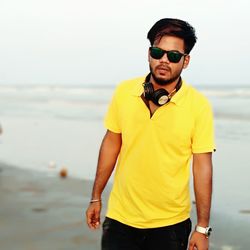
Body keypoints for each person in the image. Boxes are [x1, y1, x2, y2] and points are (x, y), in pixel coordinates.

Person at [86, 18, 215, 250]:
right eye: (158, 52)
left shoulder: (199, 106)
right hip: (120, 219)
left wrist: (202, 228)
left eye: (174, 56)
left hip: (170, 225)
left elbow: (202, 166)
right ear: (149, 54)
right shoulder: (124, 92)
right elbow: (111, 144)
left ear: (185, 61)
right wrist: (96, 196)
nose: (164, 60)